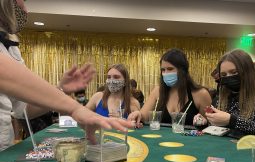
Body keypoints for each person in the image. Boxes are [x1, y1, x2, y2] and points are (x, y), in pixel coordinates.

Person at [0, 0, 132, 151]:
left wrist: (60, 90)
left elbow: (22, 110)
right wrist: (74, 108)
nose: (25, 9)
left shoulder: (10, 47)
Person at [195, 49, 255, 139]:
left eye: (234, 72)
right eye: (224, 75)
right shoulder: (219, 99)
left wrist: (233, 121)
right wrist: (204, 123)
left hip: (251, 150)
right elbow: (216, 130)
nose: (229, 77)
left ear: (248, 72)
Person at [128, 48, 212, 126]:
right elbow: (143, 116)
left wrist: (202, 121)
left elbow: (209, 124)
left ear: (183, 70)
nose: (166, 73)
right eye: (163, 70)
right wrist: (137, 114)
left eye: (170, 69)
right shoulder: (158, 91)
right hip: (162, 141)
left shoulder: (202, 94)